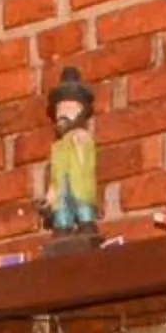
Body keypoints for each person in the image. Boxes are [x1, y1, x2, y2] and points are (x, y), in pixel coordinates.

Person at [42, 66, 99, 234]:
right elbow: (54, 178)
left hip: (80, 187)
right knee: (62, 214)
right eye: (59, 111)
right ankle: (62, 228)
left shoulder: (82, 138)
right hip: (62, 192)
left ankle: (86, 225)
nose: (62, 115)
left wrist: (79, 142)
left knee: (84, 211)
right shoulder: (57, 147)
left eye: (68, 110)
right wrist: (49, 197)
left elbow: (86, 165)